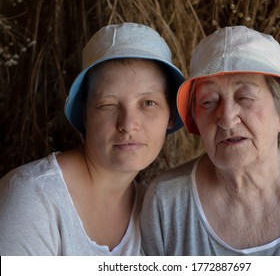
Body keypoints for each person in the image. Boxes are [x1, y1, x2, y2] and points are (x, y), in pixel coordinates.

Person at [140, 25, 280, 255]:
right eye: (209, 101)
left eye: (245, 97)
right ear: (196, 120)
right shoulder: (167, 202)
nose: (227, 120)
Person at [0, 22, 184, 255]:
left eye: (148, 103)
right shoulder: (32, 198)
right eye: (108, 105)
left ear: (171, 115)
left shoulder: (154, 212)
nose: (128, 125)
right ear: (85, 113)